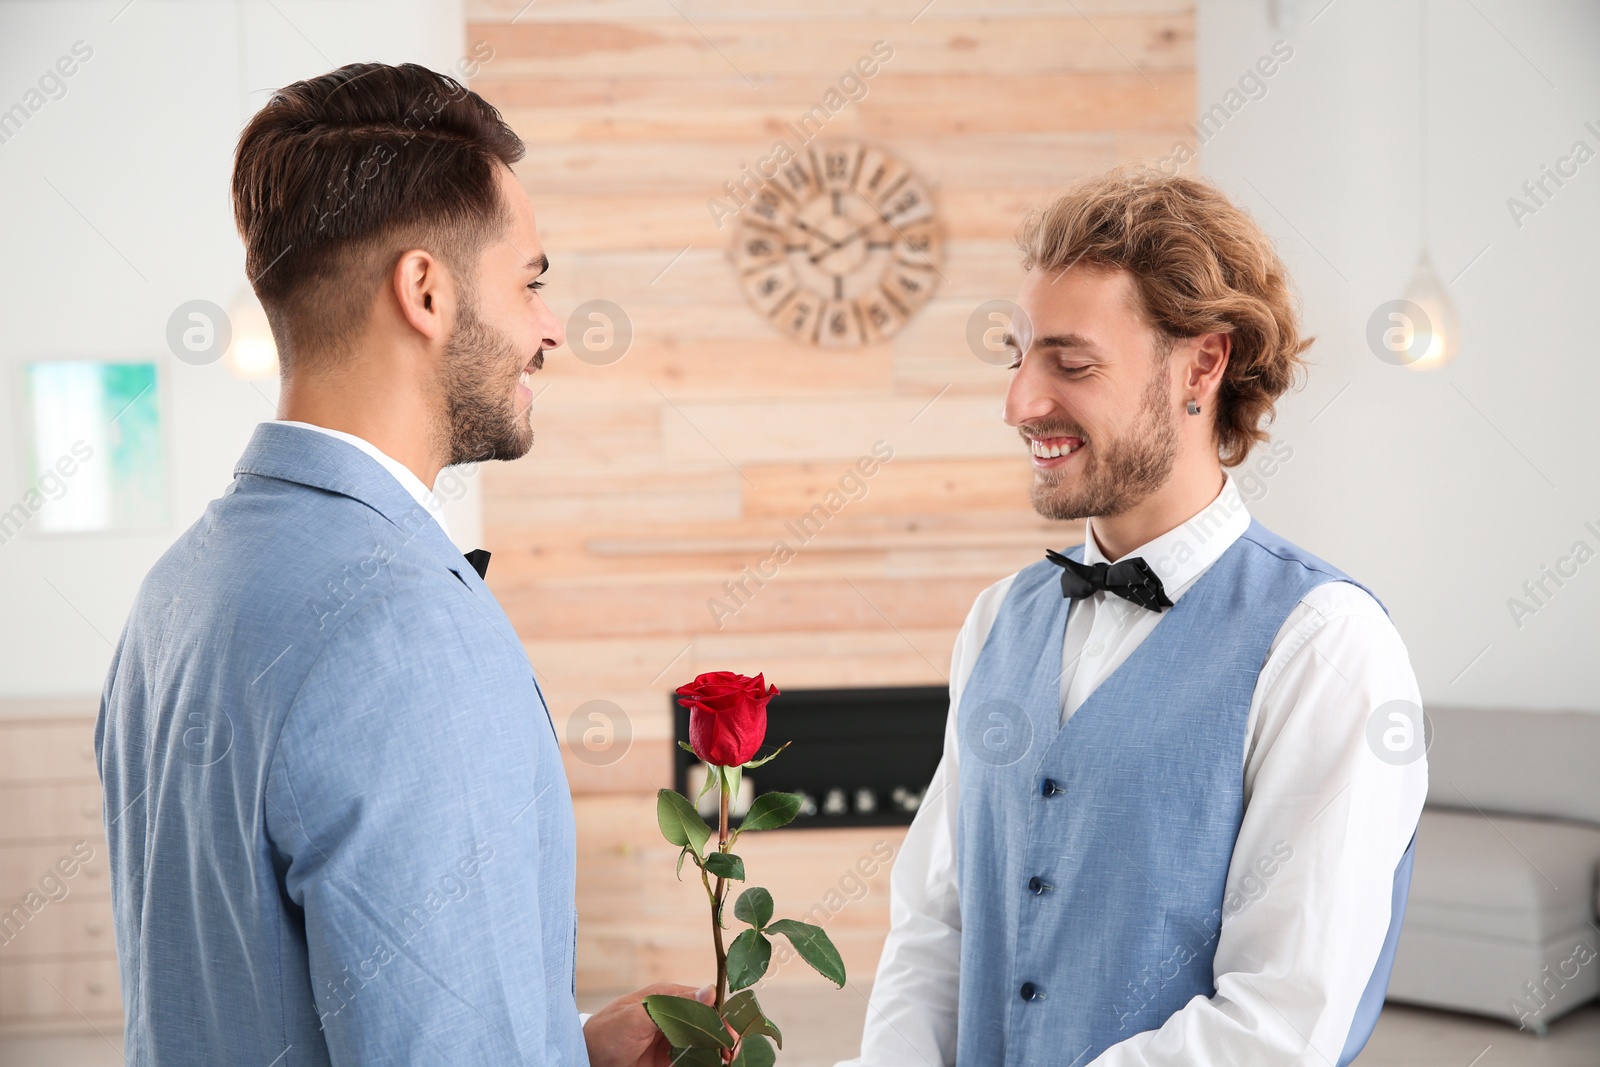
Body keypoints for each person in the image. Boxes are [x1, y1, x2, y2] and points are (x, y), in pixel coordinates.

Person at [96, 62, 701, 1066]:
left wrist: (565, 1045)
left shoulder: (181, 588)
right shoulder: (406, 624)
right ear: (425, 290)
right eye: (532, 280)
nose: (551, 326)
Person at [844, 167, 1427, 1066]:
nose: (1019, 404)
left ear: (1202, 363)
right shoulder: (998, 618)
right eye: (1017, 357)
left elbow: (1281, 1022)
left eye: (1070, 363)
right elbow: (935, 926)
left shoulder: (1325, 647)